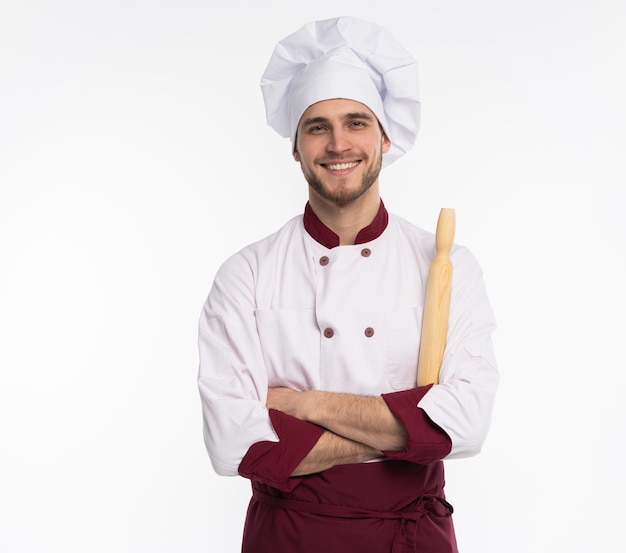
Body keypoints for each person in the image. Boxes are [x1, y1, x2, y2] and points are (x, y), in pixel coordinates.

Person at [198, 16, 498, 553]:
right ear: (295, 147)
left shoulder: (448, 266)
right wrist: (406, 430)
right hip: (289, 537)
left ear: (385, 137)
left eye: (356, 122)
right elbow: (232, 445)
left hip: (412, 537)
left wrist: (300, 404)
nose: (339, 143)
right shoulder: (246, 274)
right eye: (317, 126)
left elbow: (465, 426)